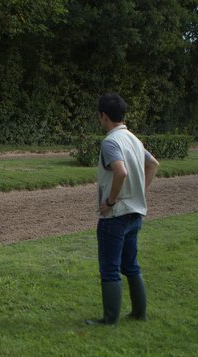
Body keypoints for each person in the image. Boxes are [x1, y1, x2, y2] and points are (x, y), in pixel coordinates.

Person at [86, 93, 160, 326]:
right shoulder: (134, 139)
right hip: (135, 213)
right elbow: (153, 164)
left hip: (115, 215)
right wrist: (140, 191)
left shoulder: (110, 141)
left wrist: (109, 201)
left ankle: (109, 319)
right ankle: (139, 313)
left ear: (103, 116)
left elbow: (121, 171)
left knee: (110, 269)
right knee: (131, 266)